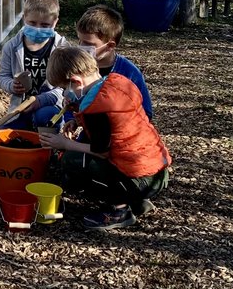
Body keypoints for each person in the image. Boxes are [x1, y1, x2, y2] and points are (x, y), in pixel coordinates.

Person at [39, 45, 171, 230]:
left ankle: (119, 210)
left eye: (64, 88)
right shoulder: (115, 84)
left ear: (76, 81)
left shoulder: (96, 108)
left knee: (73, 161)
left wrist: (65, 144)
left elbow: (102, 151)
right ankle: (136, 201)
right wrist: (77, 118)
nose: (64, 93)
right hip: (155, 171)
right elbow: (113, 125)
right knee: (86, 155)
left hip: (139, 178)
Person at [0, 0, 70, 129]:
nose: (38, 29)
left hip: (49, 105)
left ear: (55, 22)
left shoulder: (62, 48)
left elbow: (66, 86)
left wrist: (40, 100)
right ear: (24, 18)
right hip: (20, 108)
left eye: (45, 25)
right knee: (4, 134)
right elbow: (2, 76)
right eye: (32, 23)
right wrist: (11, 85)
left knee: (45, 116)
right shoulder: (11, 47)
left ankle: (49, 138)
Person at [75, 4, 153, 119]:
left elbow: (146, 111)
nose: (82, 46)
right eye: (80, 40)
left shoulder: (129, 72)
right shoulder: (78, 67)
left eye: (88, 44)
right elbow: (71, 103)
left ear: (110, 46)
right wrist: (71, 120)